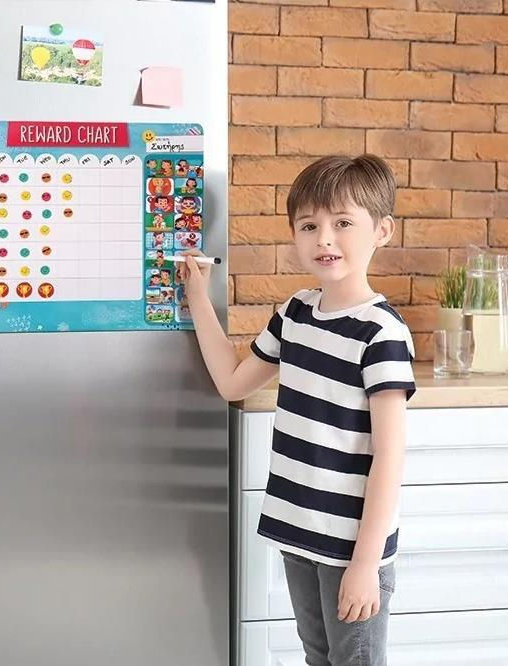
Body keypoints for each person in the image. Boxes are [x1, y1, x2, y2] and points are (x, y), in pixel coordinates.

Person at [178, 154, 415, 666]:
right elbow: (232, 382)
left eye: (343, 223)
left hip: (353, 547)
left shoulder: (382, 333)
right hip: (299, 530)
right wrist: (197, 296)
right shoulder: (295, 314)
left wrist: (365, 564)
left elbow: (389, 457)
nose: (324, 238)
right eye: (309, 226)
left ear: (382, 231)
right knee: (317, 658)